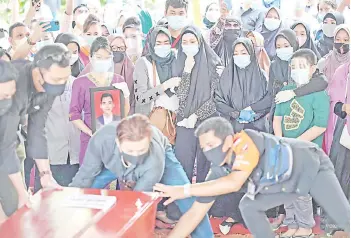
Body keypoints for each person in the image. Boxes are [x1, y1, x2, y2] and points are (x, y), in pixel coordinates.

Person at [154, 117, 350, 238]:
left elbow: (234, 183)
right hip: (285, 185)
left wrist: (185, 189)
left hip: (311, 166)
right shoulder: (218, 169)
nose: (207, 151)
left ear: (229, 140)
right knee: (249, 205)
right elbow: (195, 213)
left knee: (345, 218)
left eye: (211, 144)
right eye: (204, 147)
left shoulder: (246, 140)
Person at [69, 114, 214, 238]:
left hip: (157, 162)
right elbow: (84, 176)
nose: (136, 158)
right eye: (131, 151)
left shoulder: (155, 159)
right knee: (87, 191)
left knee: (188, 200)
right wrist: (67, 201)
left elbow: (138, 201)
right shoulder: (100, 141)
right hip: (114, 163)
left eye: (141, 151)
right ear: (118, 143)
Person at [0, 44, 71, 221]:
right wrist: (21, 192)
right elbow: (5, 144)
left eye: (65, 79)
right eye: (56, 79)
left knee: (15, 204)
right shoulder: (14, 85)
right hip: (5, 139)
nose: (60, 84)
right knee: (12, 205)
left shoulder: (50, 85)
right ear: (38, 70)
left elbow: (37, 128)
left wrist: (45, 175)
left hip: (8, 140)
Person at [273, 49, 330, 238]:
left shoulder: (319, 95)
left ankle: (305, 226)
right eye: (294, 67)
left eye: (302, 66)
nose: (297, 70)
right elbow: (277, 118)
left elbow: (320, 126)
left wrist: (295, 143)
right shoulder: (285, 92)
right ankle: (291, 223)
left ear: (313, 68)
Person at [69, 37, 130, 165]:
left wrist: (126, 95)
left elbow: (124, 112)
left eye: (107, 57)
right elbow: (74, 114)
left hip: (113, 140)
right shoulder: (80, 83)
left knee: (112, 178)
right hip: (90, 139)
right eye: (99, 57)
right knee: (92, 180)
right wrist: (89, 132)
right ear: (90, 58)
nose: (103, 61)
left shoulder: (118, 80)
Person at [174, 25, 222, 183]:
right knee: (182, 163)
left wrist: (196, 115)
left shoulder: (214, 64)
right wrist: (187, 71)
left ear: (200, 42)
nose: (188, 45)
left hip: (208, 120)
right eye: (185, 42)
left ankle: (205, 205)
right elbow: (180, 96)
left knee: (205, 166)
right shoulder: (179, 63)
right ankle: (181, 204)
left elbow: (216, 98)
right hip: (184, 120)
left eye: (192, 41)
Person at [215, 37, 270, 133]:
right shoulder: (226, 76)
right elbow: (218, 101)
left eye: (243, 53)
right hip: (232, 129)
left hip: (258, 129)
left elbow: (268, 100)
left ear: (251, 54)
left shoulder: (261, 76)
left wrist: (254, 114)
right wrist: (236, 114)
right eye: (235, 53)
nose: (239, 56)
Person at [134, 27, 180, 117]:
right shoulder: (143, 63)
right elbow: (140, 98)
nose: (163, 46)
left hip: (178, 120)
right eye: (158, 43)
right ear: (151, 44)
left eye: (166, 43)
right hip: (153, 120)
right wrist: (165, 85)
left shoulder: (177, 58)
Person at [328, 63, 350, 200]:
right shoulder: (343, 71)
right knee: (342, 173)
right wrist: (344, 107)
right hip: (346, 129)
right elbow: (334, 103)